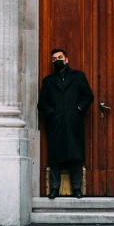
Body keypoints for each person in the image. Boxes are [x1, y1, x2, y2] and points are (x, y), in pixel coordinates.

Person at [38, 48, 94, 199]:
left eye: (60, 57)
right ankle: (54, 189)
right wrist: (52, 113)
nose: (58, 60)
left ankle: (77, 189)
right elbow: (41, 103)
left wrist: (78, 109)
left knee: (75, 156)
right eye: (55, 59)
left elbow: (88, 96)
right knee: (55, 157)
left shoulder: (78, 76)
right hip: (56, 124)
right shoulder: (48, 81)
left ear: (66, 59)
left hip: (74, 122)